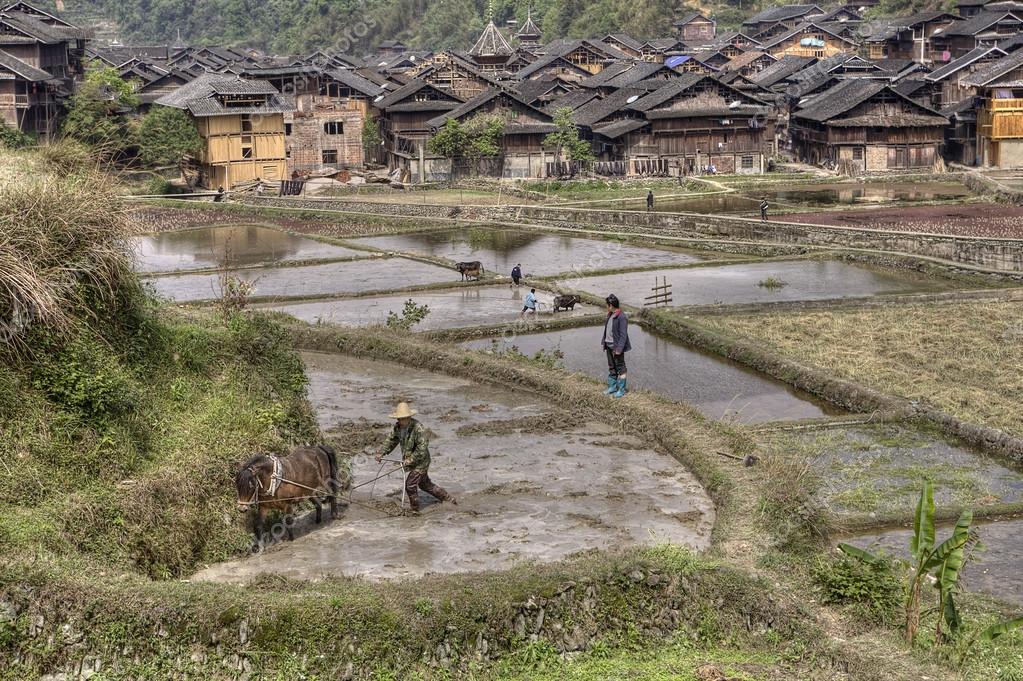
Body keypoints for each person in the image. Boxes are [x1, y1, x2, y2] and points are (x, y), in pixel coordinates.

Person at [375, 402, 456, 515]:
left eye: (403, 419)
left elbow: (422, 448)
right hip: (410, 461)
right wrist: (381, 453)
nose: (400, 421)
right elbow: (391, 440)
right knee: (424, 484)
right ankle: (448, 499)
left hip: (421, 461)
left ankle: (415, 510)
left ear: (409, 417)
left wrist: (411, 459)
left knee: (410, 485)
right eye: (399, 419)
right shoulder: (397, 427)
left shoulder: (418, 428)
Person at [601, 294, 631, 398]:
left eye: (607, 305)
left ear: (611, 305)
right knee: (612, 367)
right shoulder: (610, 314)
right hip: (609, 345)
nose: (606, 306)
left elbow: (623, 335)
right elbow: (607, 330)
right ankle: (612, 387)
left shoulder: (622, 317)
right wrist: (604, 343)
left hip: (616, 347)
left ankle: (621, 390)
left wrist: (619, 349)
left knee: (621, 368)